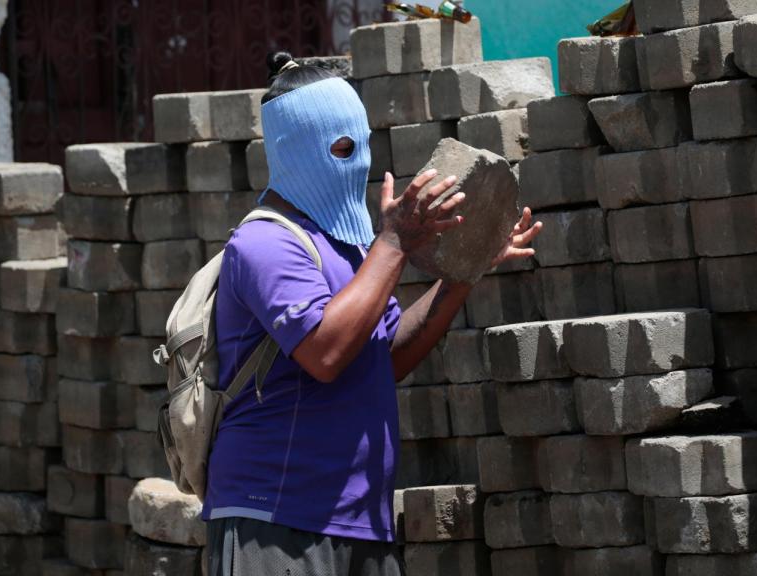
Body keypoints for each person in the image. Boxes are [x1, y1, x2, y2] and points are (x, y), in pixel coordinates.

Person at [203, 51, 543, 576]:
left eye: (363, 145)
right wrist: (394, 240)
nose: (358, 161)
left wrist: (466, 268)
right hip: (275, 516)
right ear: (294, 148)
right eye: (342, 148)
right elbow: (326, 353)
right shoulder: (264, 243)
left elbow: (386, 359)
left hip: (361, 521)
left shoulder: (351, 248)